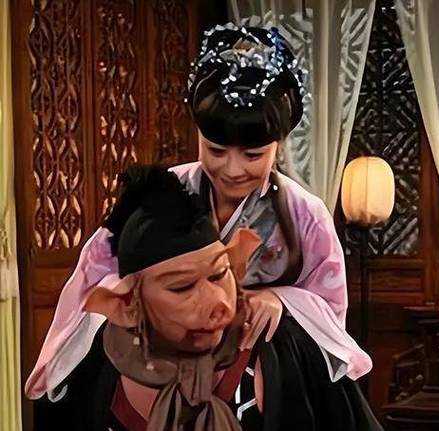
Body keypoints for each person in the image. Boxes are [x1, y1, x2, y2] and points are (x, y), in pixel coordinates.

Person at [26, 23, 382, 430]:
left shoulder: (305, 213)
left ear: (279, 146)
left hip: (262, 348)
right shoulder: (166, 192)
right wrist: (154, 296)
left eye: (252, 155)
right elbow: (98, 271)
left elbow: (330, 312)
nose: (232, 169)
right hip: (159, 341)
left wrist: (282, 299)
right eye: (216, 150)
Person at [30, 164, 260, 430]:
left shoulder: (269, 353)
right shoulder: (90, 375)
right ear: (126, 304)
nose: (217, 302)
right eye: (182, 287)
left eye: (219, 275)